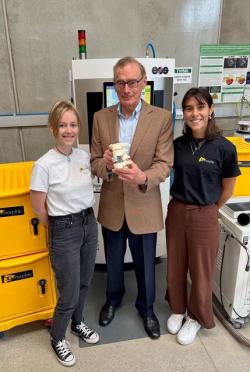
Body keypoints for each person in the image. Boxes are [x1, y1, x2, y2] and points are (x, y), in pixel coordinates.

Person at [91, 56, 173, 339]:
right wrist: (107, 166)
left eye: (132, 82)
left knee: (146, 264)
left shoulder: (161, 118)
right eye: (121, 83)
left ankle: (146, 309)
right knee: (113, 261)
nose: (126, 89)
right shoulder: (100, 118)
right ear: (115, 85)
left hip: (144, 204)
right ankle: (112, 299)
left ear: (143, 83)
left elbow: (164, 164)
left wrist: (142, 178)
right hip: (113, 205)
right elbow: (94, 163)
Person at [165, 87, 241, 345]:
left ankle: (196, 317)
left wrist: (210, 209)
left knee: (201, 269)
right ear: (183, 113)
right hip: (176, 211)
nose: (194, 113)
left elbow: (228, 188)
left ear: (211, 110)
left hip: (205, 213)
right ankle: (178, 308)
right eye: (189, 108)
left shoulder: (225, 148)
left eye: (200, 107)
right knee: (175, 264)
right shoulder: (178, 145)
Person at [30, 101, 99, 367]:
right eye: (62, 125)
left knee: (84, 282)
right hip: (63, 229)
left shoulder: (83, 156)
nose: (68, 130)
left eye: (73, 124)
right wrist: (61, 226)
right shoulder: (44, 165)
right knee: (69, 290)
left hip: (88, 224)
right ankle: (57, 335)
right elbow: (39, 208)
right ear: (52, 128)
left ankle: (78, 323)